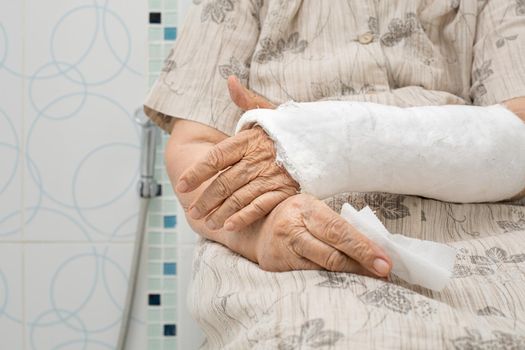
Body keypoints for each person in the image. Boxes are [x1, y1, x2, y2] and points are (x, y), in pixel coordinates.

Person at [145, 1, 525, 348]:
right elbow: (196, 147)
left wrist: (327, 138)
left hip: (485, 229)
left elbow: (518, 135)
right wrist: (260, 235)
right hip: (293, 226)